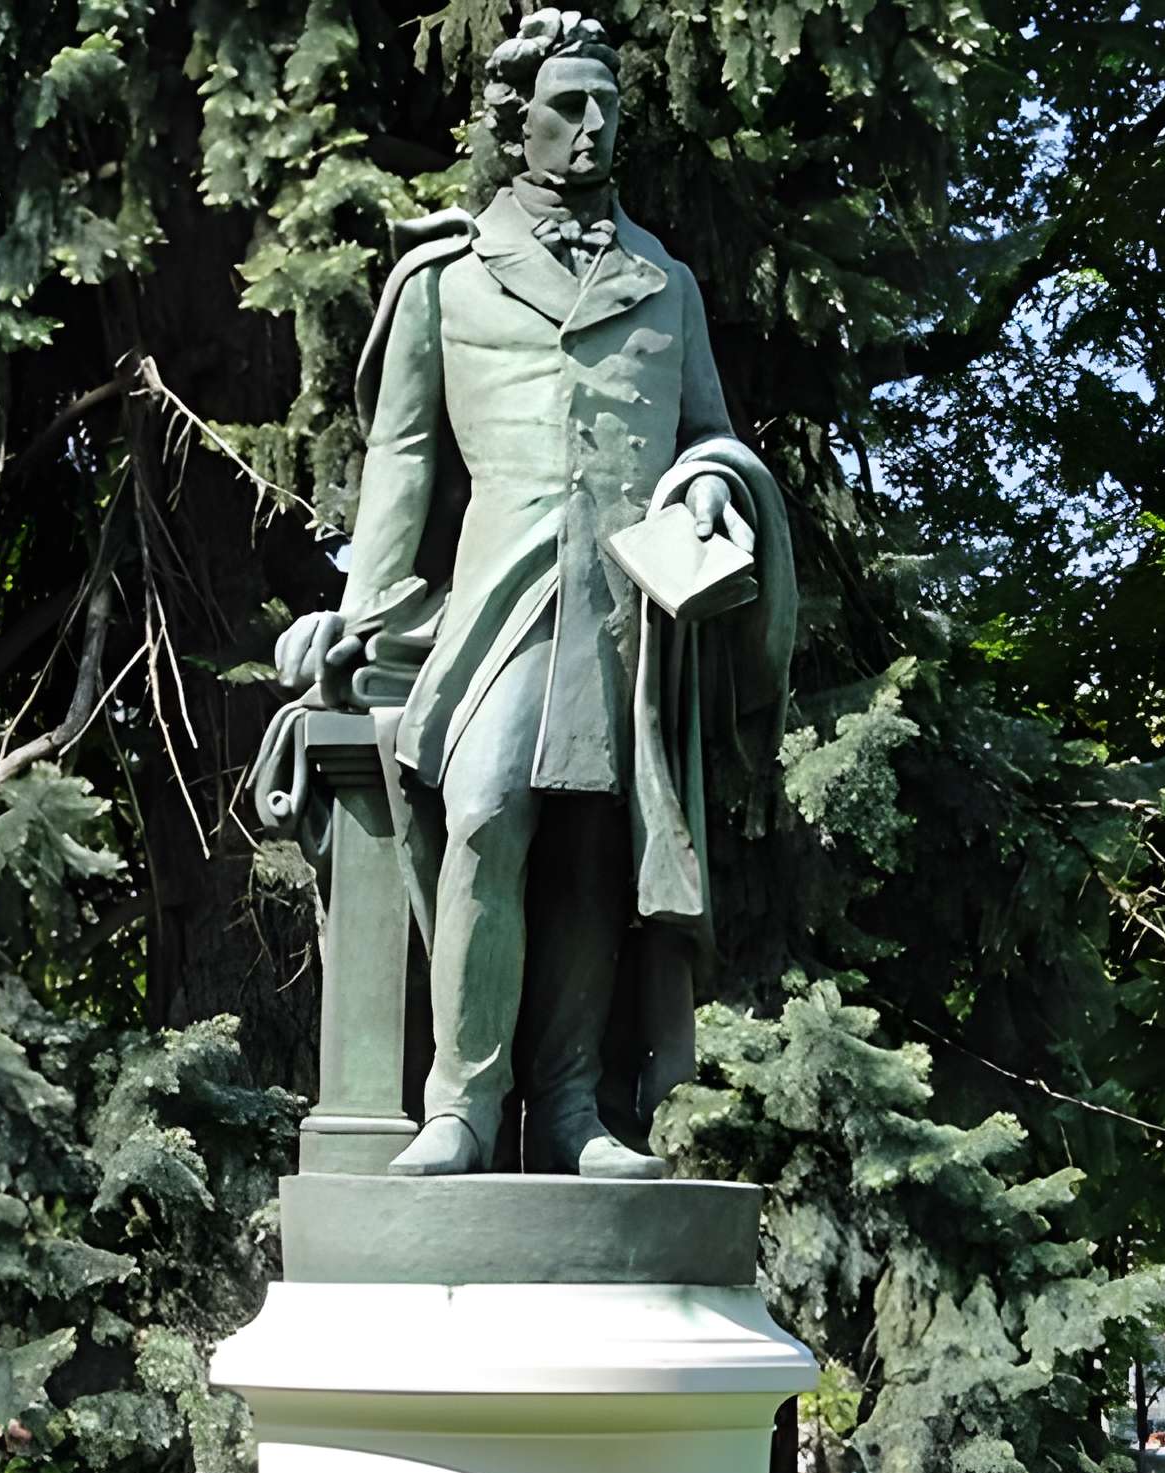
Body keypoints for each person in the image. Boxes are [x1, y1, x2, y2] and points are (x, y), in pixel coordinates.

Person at [271, 6, 793, 1178]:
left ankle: (569, 1108)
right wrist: (366, 606)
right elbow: (404, 457)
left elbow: (709, 435)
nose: (594, 124)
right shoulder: (443, 279)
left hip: (621, 607)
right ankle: (461, 1103)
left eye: (608, 105)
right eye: (569, 105)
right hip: (498, 597)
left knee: (590, 850)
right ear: (518, 125)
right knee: (488, 810)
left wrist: (714, 483)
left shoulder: (664, 283)